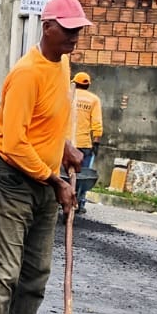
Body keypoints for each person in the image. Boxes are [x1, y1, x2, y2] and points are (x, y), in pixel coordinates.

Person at [0, 0, 91, 314]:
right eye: (70, 30)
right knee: (3, 274)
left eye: (79, 31)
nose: (76, 38)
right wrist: (55, 180)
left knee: (36, 275)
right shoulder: (27, 73)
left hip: (45, 181)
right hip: (12, 182)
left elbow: (50, 125)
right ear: (48, 27)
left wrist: (66, 149)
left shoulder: (62, 65)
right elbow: (15, 141)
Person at [71, 70, 104, 213]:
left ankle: (58, 199)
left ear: (75, 83)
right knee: (82, 174)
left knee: (61, 173)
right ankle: (80, 202)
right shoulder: (94, 99)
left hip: (66, 144)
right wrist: (96, 142)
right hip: (84, 145)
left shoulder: (68, 95)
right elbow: (97, 123)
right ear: (88, 85)